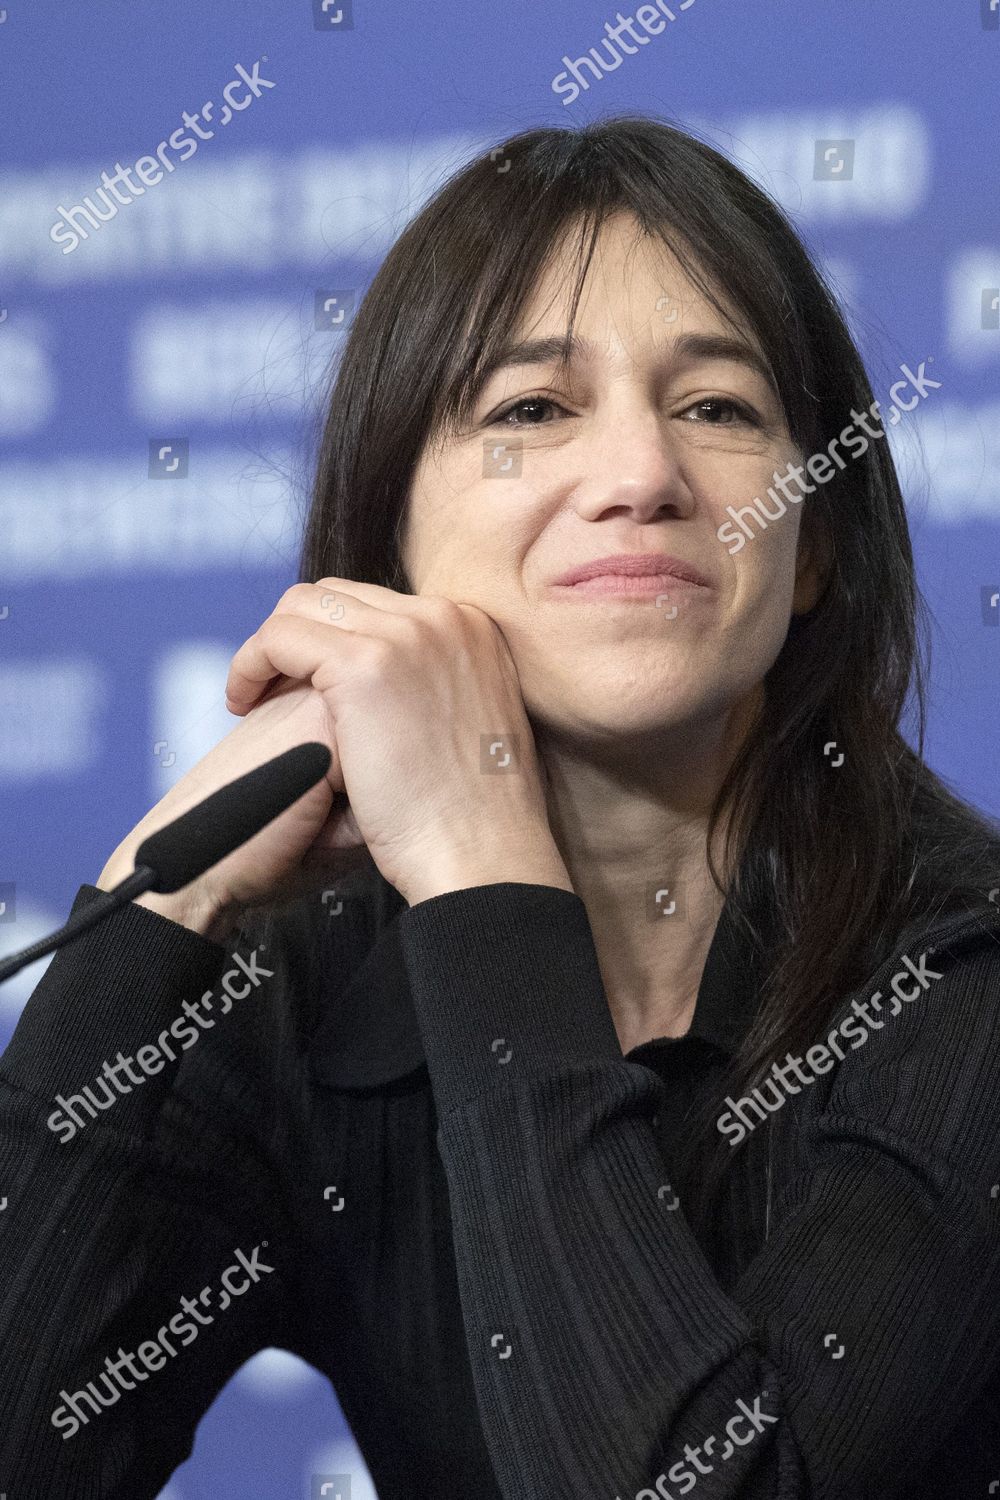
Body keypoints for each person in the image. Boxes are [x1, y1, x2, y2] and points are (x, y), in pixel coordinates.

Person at [1, 113, 999, 1499]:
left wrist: (480, 878)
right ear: (388, 536)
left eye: (717, 408)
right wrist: (157, 907)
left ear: (814, 544)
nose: (642, 477)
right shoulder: (304, 987)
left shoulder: (962, 969)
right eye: (531, 410)